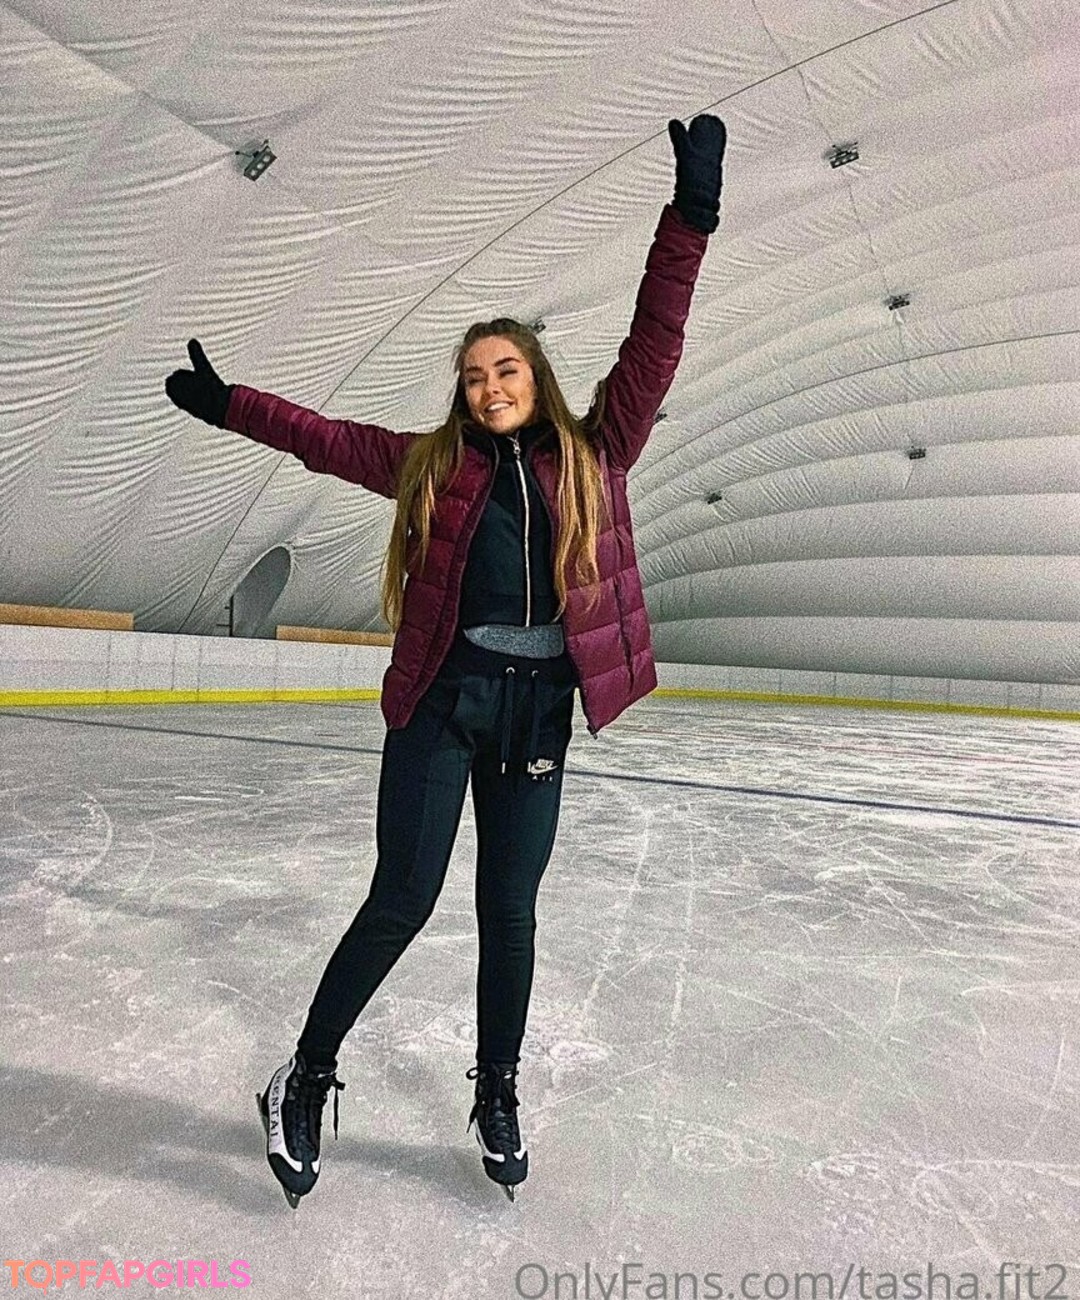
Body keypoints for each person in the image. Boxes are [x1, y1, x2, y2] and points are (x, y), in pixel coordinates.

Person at [165, 114, 726, 1206]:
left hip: (537, 712)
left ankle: (497, 1090)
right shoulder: (432, 465)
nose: (489, 386)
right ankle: (304, 1073)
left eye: (505, 368)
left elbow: (654, 340)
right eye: (473, 376)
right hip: (445, 703)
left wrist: (691, 216)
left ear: (536, 376)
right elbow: (327, 441)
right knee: (404, 897)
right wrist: (231, 406)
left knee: (510, 912)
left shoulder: (598, 451)